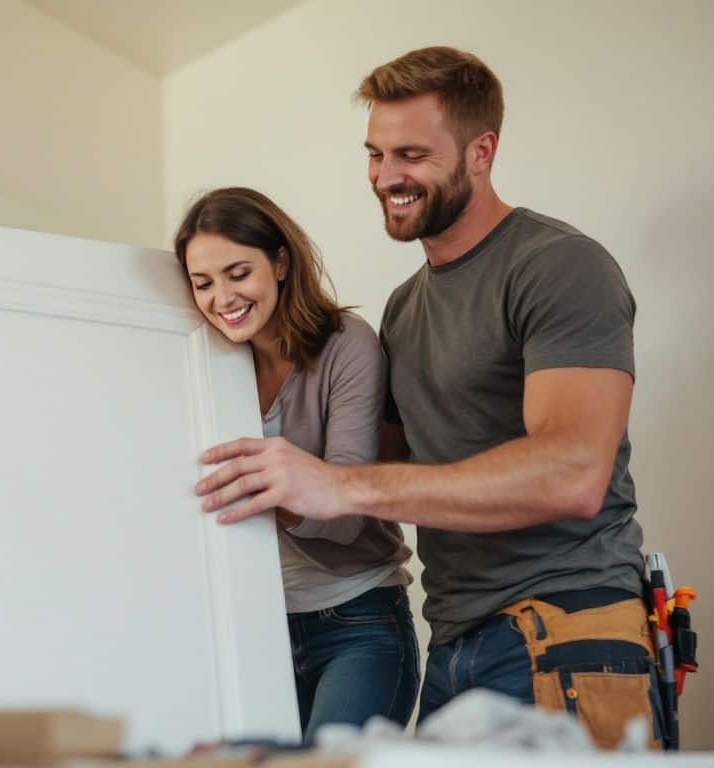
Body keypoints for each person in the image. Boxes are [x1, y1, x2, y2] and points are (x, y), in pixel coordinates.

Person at [192, 48, 659, 749]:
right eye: (375, 154)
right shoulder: (406, 309)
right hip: (453, 637)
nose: (385, 177)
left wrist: (337, 485)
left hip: (566, 625)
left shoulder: (557, 266)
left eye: (410, 153)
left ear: (481, 151)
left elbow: (574, 474)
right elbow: (376, 480)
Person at [173, 187, 418, 741]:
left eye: (239, 273)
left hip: (356, 622)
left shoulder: (345, 346)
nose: (222, 298)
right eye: (203, 282)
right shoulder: (207, 363)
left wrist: (256, 490)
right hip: (255, 626)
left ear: (280, 263)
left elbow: (346, 514)